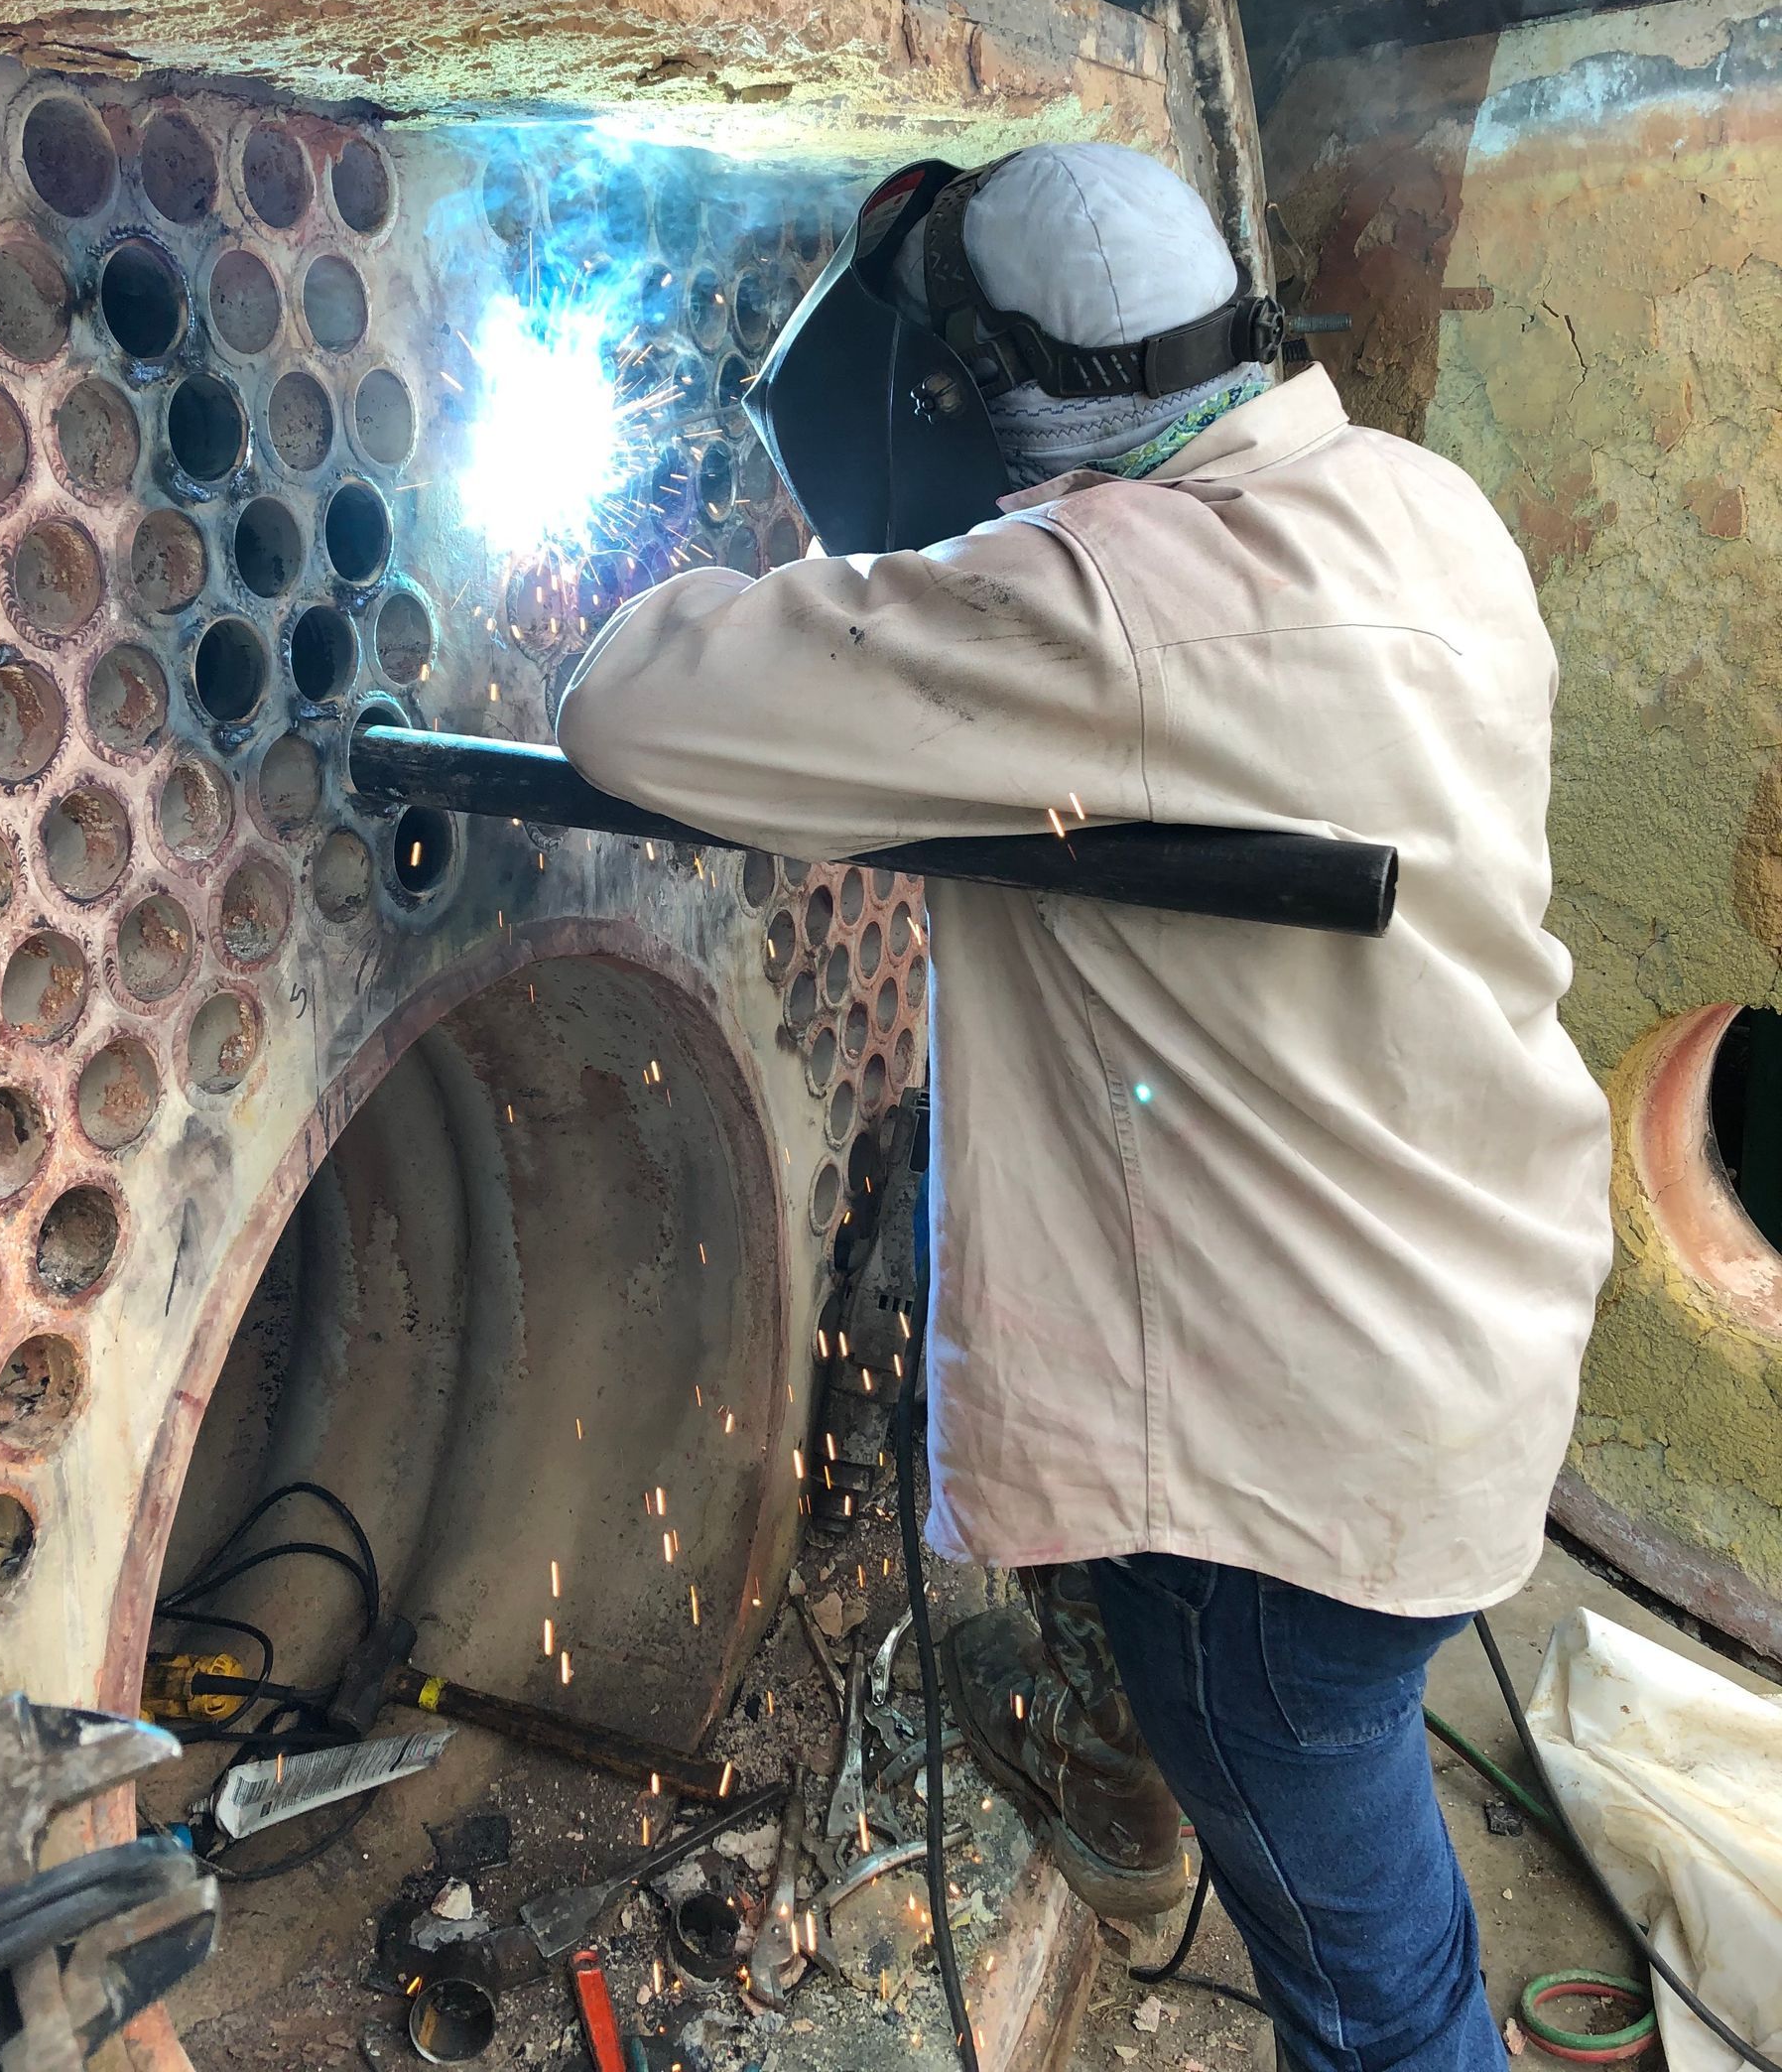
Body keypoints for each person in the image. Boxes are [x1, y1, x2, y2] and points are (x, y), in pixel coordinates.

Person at [556, 142, 1614, 2072]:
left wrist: (850, 562)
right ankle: (1137, 1784)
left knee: (1377, 1996)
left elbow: (633, 704)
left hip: (1282, 1491)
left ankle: (1187, 1813)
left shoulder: (1087, 608)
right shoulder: (1424, 506)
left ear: (984, 395)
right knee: (1362, 1842)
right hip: (1479, 1328)